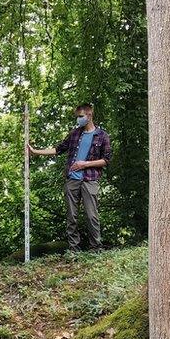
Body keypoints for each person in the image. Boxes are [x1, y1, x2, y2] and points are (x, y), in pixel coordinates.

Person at [29, 103, 112, 252]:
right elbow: (57, 149)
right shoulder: (74, 134)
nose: (78, 120)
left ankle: (96, 248)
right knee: (71, 216)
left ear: (89, 115)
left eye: (81, 116)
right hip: (72, 180)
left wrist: (84, 164)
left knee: (91, 215)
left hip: (90, 180)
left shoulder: (102, 135)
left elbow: (106, 160)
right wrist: (36, 151)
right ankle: (74, 249)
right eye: (77, 117)